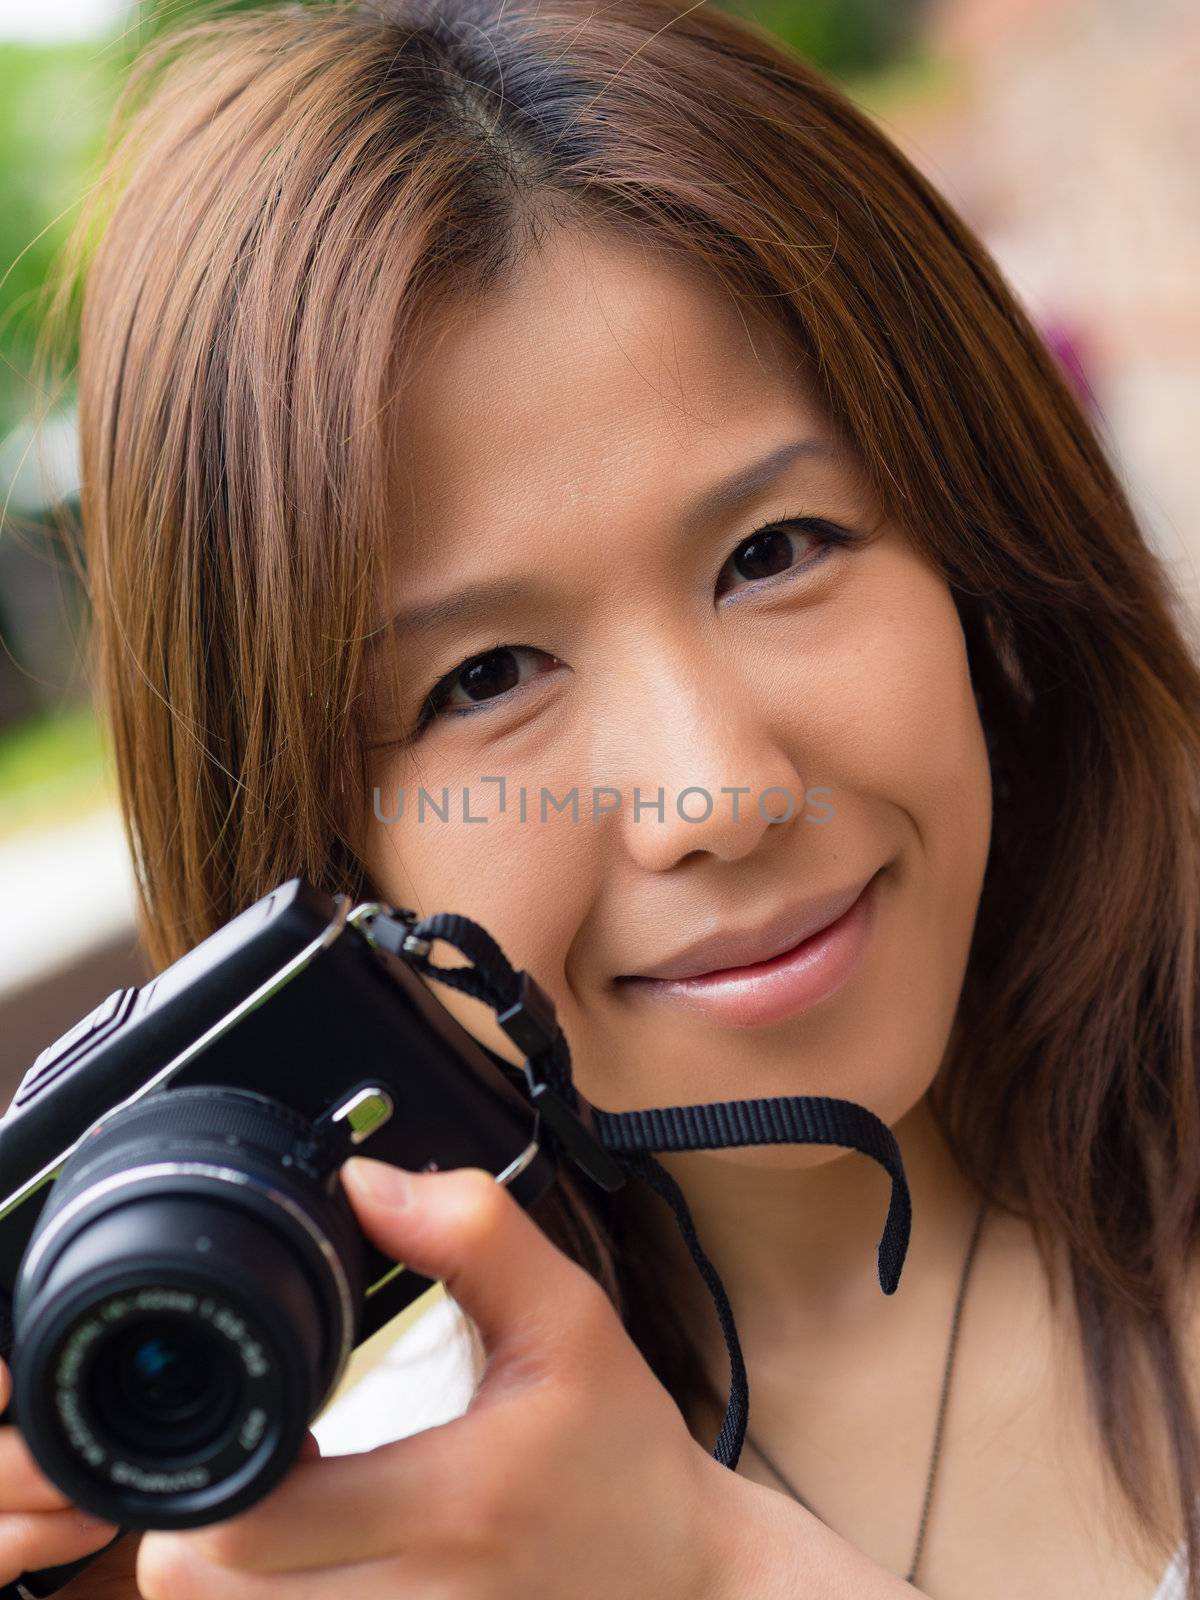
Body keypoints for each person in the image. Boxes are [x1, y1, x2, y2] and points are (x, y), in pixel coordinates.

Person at [5, 0, 1200, 1593]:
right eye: (484, 677)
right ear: (317, 855)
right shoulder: (357, 1530)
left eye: (774, 553)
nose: (716, 791)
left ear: (981, 555)